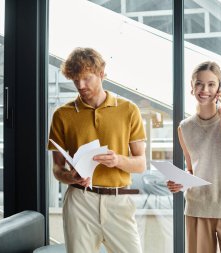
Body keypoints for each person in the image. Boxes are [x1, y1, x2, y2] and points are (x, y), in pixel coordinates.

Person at [47, 47, 146, 253]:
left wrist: (117, 160)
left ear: (102, 74)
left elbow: (141, 163)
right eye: (75, 80)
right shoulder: (62, 115)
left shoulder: (129, 110)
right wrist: (70, 176)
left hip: (119, 202)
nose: (80, 86)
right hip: (80, 201)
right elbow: (57, 169)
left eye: (86, 78)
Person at [167, 61, 221, 253]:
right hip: (197, 209)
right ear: (192, 87)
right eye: (199, 84)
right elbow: (192, 170)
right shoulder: (184, 128)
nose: (205, 89)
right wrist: (181, 182)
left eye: (211, 84)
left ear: (220, 87)